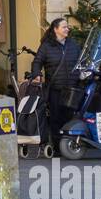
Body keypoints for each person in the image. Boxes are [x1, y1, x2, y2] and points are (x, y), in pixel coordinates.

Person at [28, 17, 79, 146]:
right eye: (64, 27)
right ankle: (57, 146)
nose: (67, 29)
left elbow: (81, 61)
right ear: (56, 29)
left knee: (69, 117)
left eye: (67, 27)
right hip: (56, 89)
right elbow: (37, 62)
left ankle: (70, 144)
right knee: (56, 118)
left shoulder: (73, 44)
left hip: (72, 88)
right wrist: (37, 74)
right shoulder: (46, 46)